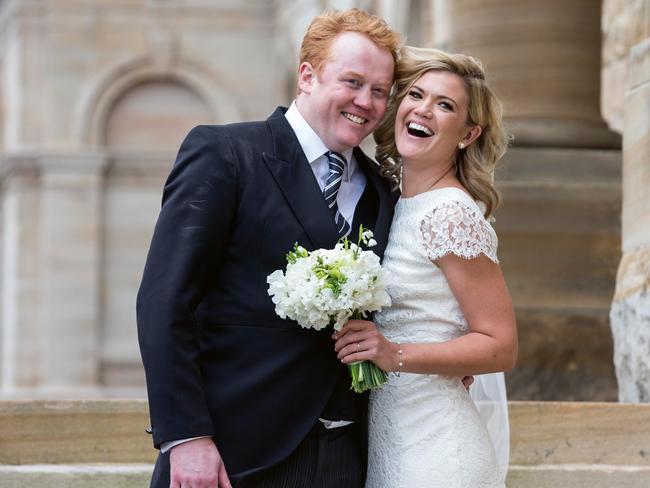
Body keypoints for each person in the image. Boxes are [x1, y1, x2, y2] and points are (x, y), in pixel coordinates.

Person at [136, 8, 400, 488]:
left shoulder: (384, 192)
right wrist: (186, 436)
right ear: (308, 75)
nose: (366, 101)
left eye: (379, 91)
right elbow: (164, 300)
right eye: (353, 81)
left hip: (346, 460)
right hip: (236, 456)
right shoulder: (225, 154)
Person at [334, 46, 517, 487]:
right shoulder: (396, 204)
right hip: (391, 439)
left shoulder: (449, 213)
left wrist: (392, 353)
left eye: (445, 105)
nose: (424, 110)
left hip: (438, 449)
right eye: (416, 95)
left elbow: (501, 344)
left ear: (468, 134)